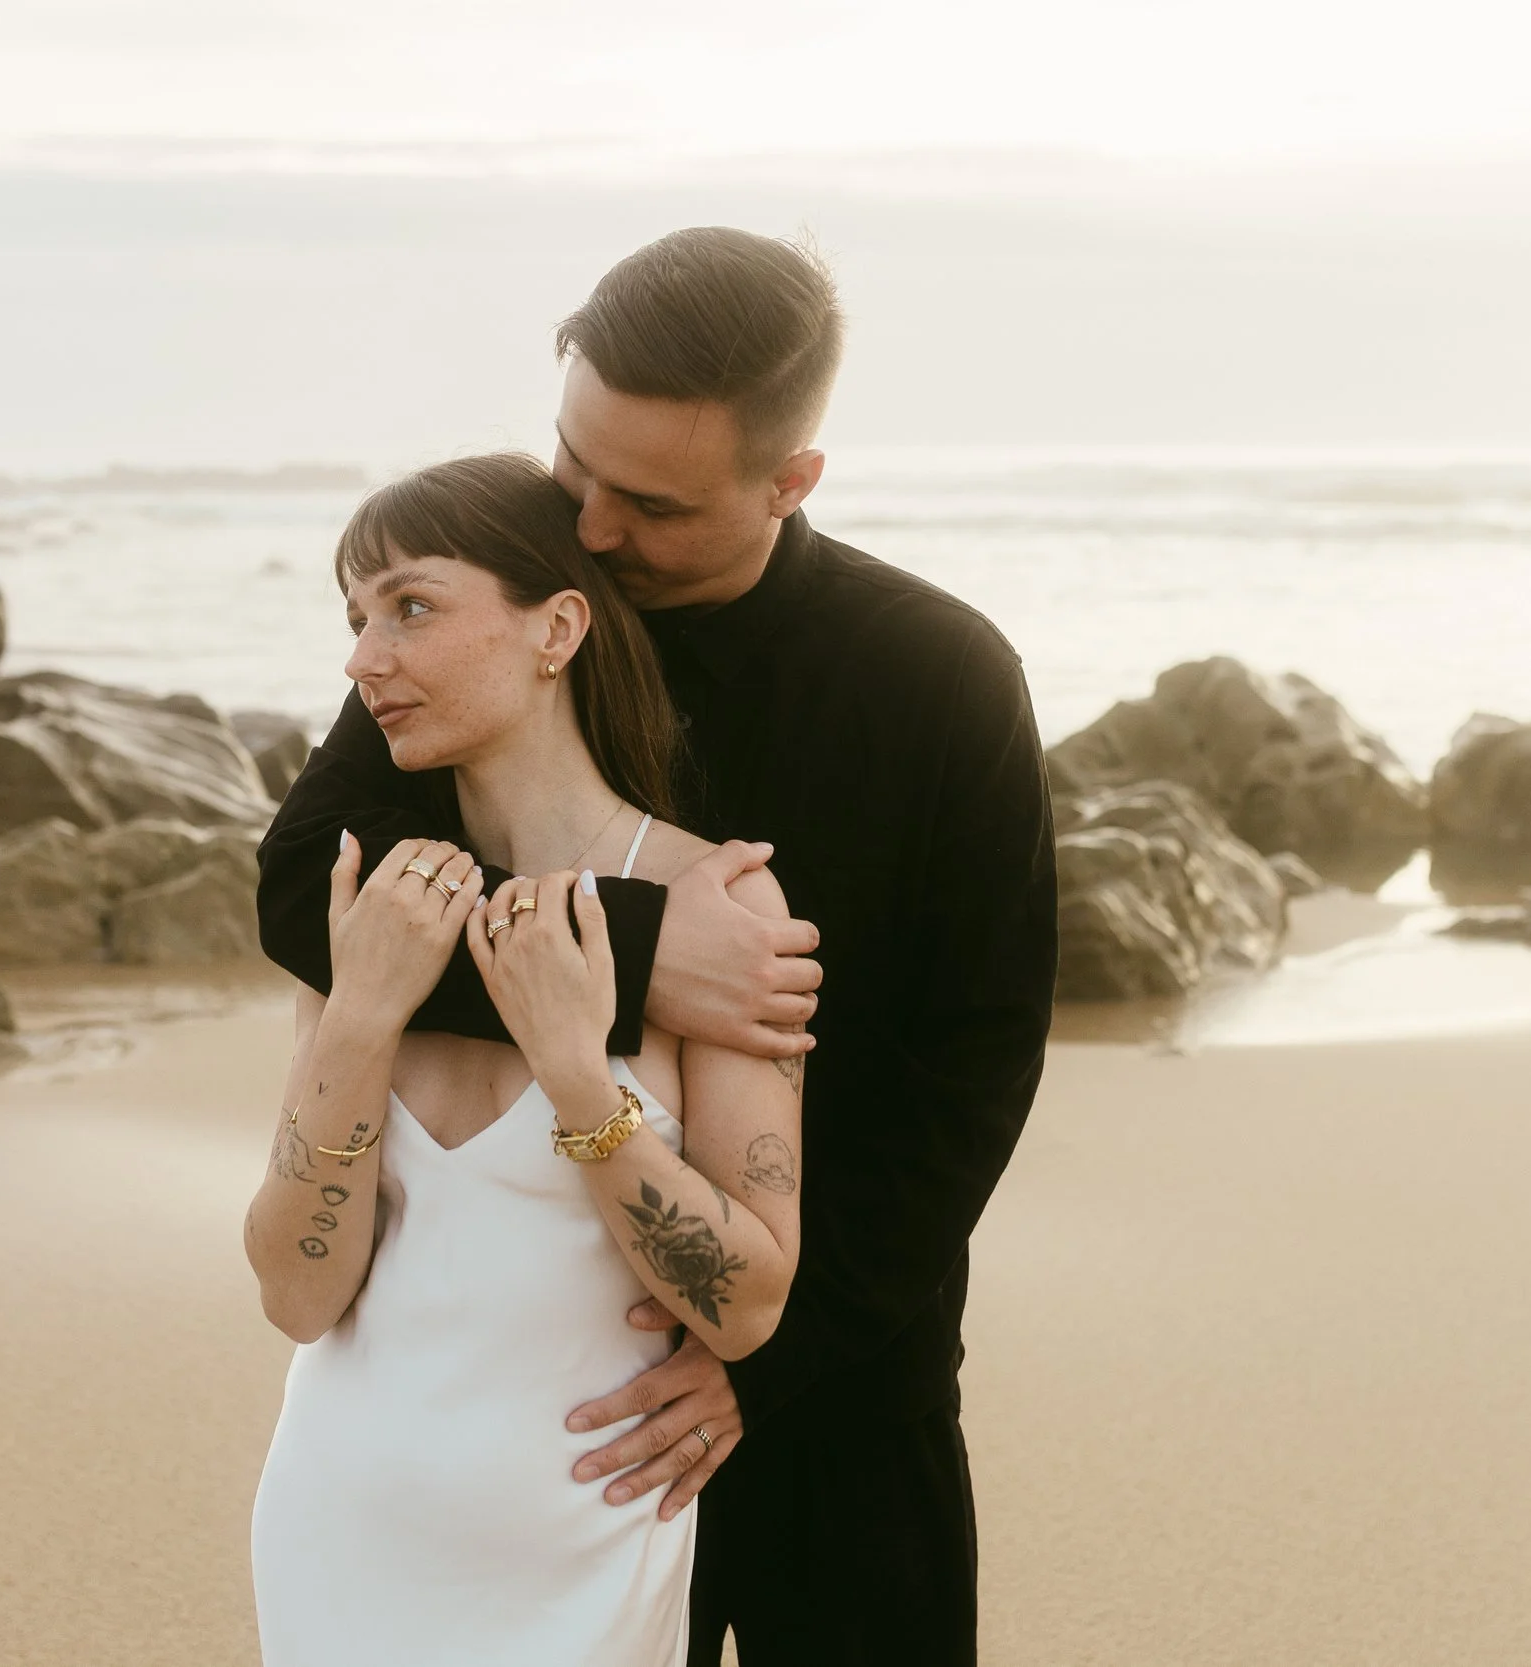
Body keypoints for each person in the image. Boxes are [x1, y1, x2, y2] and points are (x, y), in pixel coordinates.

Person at [255, 228, 1058, 1664]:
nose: (598, 528)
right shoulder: (511, 616)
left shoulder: (934, 677)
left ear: (789, 481)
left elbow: (973, 1066)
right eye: (578, 466)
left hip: (839, 1359)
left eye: (652, 502)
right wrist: (642, 954)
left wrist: (770, 1359)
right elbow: (300, 887)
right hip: (554, 1413)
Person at [245, 453, 803, 1664]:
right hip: (341, 1527)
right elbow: (297, 1291)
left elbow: (747, 1302)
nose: (362, 660)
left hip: (583, 1548)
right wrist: (360, 1016)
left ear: (557, 628)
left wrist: (577, 1075)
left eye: (410, 606)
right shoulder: (368, 903)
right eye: (354, 618)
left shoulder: (713, 909)